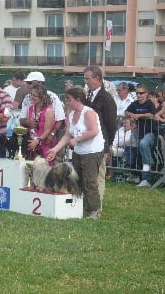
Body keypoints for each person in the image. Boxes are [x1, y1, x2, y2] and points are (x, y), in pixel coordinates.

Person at [47, 87, 104, 219]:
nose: (67, 102)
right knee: (76, 180)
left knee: (89, 182)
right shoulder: (72, 114)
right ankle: (79, 207)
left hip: (92, 151)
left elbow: (93, 131)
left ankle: (95, 211)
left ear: (78, 100)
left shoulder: (88, 112)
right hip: (78, 152)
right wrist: (55, 149)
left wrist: (77, 140)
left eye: (69, 99)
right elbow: (68, 135)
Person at [83, 66, 117, 204]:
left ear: (98, 78)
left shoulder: (106, 98)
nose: (86, 82)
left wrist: (107, 145)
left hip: (101, 143)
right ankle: (88, 202)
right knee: (89, 176)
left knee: (99, 175)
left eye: (88, 79)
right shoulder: (90, 96)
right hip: (88, 143)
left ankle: (97, 205)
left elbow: (111, 125)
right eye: (85, 79)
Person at [20, 71, 66, 162]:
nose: (27, 85)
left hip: (50, 140)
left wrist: (52, 134)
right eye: (27, 83)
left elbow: (60, 119)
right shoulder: (27, 98)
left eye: (30, 83)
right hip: (33, 140)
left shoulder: (53, 97)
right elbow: (21, 120)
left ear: (40, 83)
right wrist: (28, 122)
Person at [125, 84, 158, 187]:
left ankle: (146, 179)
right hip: (139, 134)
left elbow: (153, 114)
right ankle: (143, 177)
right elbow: (126, 111)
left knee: (144, 146)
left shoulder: (149, 103)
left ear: (146, 93)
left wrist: (140, 115)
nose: (139, 95)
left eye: (141, 93)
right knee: (142, 158)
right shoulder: (135, 104)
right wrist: (132, 115)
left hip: (150, 133)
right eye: (137, 93)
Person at [19, 84, 56, 165]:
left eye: (34, 95)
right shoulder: (31, 108)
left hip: (44, 145)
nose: (32, 97)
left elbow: (47, 131)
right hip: (31, 144)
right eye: (31, 95)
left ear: (42, 97)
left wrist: (37, 141)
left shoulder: (49, 110)